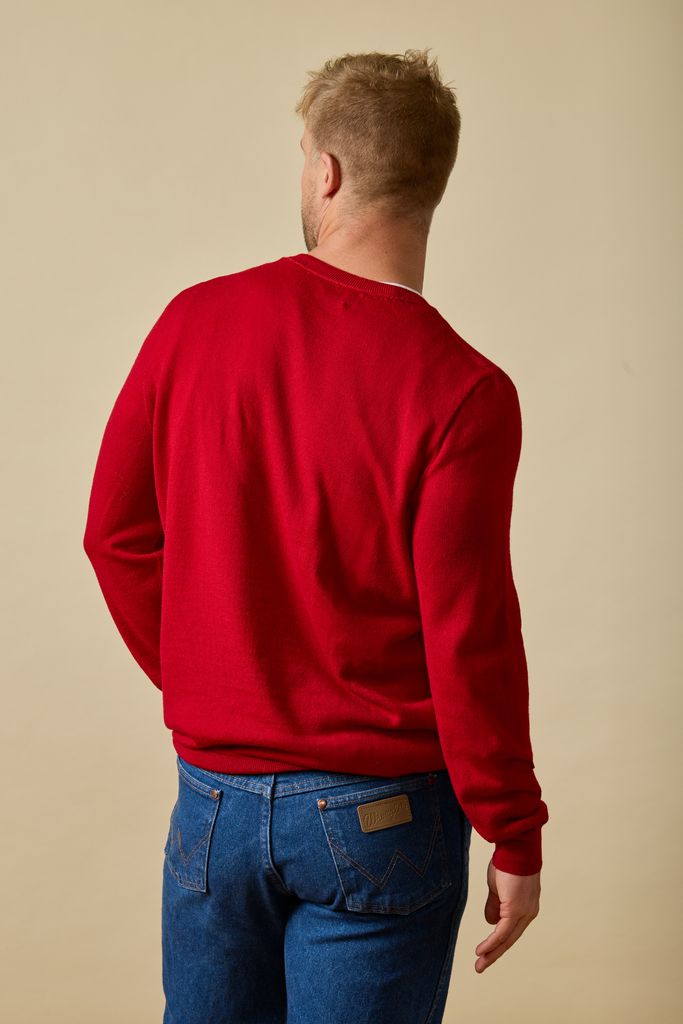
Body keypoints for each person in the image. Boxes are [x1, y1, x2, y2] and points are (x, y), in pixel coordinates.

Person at [84, 49, 548, 1024]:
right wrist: (512, 829)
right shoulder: (463, 389)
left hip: (213, 802)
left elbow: (116, 536)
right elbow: (468, 633)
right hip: (382, 813)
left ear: (326, 171)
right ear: (429, 183)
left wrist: (217, 682)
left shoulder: (192, 323)